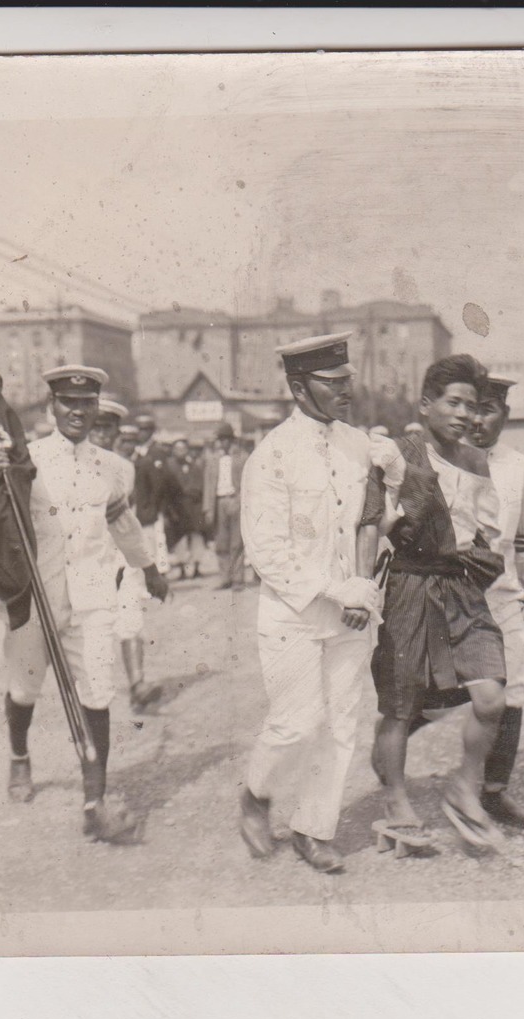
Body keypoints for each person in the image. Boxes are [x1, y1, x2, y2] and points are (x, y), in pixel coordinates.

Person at [0, 365, 170, 842]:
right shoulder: (24, 459)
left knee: (98, 693)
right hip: (34, 597)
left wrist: (148, 567)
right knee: (24, 690)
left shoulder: (112, 467)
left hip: (91, 599)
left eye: (87, 404)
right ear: (52, 407)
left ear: (97, 408)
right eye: (68, 403)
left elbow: (123, 523)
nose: (78, 412)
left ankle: (95, 800)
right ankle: (20, 755)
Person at [238, 331, 394, 874]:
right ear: (300, 388)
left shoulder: (359, 445)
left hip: (353, 608)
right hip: (293, 612)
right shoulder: (271, 455)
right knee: (297, 723)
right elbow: (267, 552)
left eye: (349, 380)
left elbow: (371, 520)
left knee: (342, 723)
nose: (347, 390)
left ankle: (312, 827)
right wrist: (337, 590)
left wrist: (364, 589)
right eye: (334, 383)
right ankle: (256, 795)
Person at [365, 354, 511, 853]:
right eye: (453, 402)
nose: (464, 414)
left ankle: (465, 788)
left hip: (461, 587)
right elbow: (372, 523)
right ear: (426, 404)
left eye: (472, 406)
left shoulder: (476, 461)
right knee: (401, 703)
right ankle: (395, 799)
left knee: (491, 695)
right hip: (410, 584)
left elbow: (486, 527)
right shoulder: (395, 453)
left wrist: (487, 554)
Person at [463, 373, 524, 828]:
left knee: (513, 691)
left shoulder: (521, 469)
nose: (476, 420)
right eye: (470, 408)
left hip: (501, 597)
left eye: (488, 409)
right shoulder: (442, 461)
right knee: (428, 694)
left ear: (505, 415)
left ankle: (494, 791)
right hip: (448, 597)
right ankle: (394, 774)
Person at [93, 400, 163, 710]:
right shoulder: (68, 464)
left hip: (120, 555)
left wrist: (147, 565)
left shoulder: (124, 468)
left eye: (107, 428)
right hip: (86, 561)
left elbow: (127, 519)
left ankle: (137, 684)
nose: (101, 435)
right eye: (96, 427)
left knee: (130, 617)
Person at [202, 422, 249, 590]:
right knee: (221, 542)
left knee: (237, 542)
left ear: (232, 440)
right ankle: (225, 578)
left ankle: (238, 579)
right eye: (220, 440)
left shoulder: (242, 457)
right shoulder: (213, 459)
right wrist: (207, 508)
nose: (223, 443)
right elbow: (208, 484)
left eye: (226, 439)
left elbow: (247, 482)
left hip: (235, 500)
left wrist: (242, 501)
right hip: (218, 501)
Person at [129, 412, 174, 579]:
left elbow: (160, 483)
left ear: (151, 431)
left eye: (145, 430)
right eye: (139, 429)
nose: (141, 433)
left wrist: (155, 504)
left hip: (155, 504)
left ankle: (160, 572)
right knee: (145, 539)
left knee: (157, 538)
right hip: (141, 503)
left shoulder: (156, 452)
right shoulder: (137, 451)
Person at [164, 438, 208, 580]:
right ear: (173, 450)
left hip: (193, 507)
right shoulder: (169, 466)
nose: (180, 452)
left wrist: (187, 493)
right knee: (179, 539)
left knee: (196, 537)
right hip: (177, 507)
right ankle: (182, 568)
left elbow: (199, 486)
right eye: (177, 449)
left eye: (183, 449)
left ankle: (196, 567)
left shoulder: (194, 466)